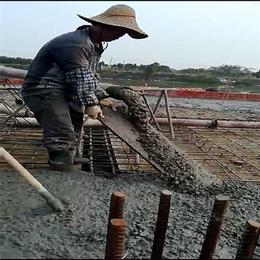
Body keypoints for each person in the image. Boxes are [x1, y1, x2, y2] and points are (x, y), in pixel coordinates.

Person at [20, 4, 148, 171]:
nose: (119, 36)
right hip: (44, 89)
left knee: (75, 124)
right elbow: (78, 77)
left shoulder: (94, 43)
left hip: (65, 90)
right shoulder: (76, 44)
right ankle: (60, 167)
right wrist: (90, 103)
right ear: (105, 26)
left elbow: (89, 75)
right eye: (118, 31)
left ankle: (68, 158)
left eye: (123, 33)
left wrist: (101, 97)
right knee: (61, 130)